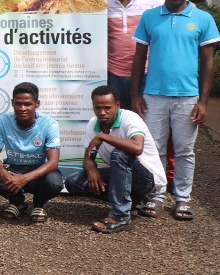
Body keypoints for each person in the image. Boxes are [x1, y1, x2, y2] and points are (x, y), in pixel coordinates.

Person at [131, 0, 220, 221]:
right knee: (154, 149)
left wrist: (203, 101)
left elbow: (209, 63)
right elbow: (139, 58)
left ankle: (182, 198)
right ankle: (156, 195)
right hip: (154, 95)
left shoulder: (203, 19)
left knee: (184, 150)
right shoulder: (149, 17)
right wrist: (136, 94)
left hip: (188, 96)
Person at [67, 86, 167, 234]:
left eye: (107, 108)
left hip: (147, 180)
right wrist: (91, 169)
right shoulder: (93, 123)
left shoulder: (130, 118)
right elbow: (88, 156)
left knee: (120, 154)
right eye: (97, 107)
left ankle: (121, 216)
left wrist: (104, 136)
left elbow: (137, 147)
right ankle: (132, 200)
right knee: (73, 182)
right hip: (121, 176)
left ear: (117, 105)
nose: (102, 112)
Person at [0, 82, 64, 224]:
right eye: (18, 104)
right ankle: (16, 201)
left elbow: (53, 162)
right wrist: (3, 173)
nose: (22, 108)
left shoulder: (49, 124)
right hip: (13, 169)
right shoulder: (3, 121)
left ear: (37, 104)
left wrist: (24, 178)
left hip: (37, 172)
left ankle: (39, 204)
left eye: (28, 104)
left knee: (55, 182)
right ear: (12, 103)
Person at [106, 0, 163, 109]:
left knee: (145, 117)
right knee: (119, 117)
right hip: (115, 73)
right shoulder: (104, 4)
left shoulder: (154, 0)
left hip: (148, 72)